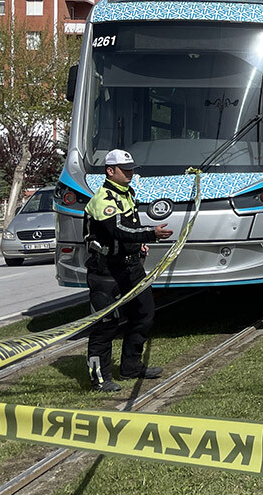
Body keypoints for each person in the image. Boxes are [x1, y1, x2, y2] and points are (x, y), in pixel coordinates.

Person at [83, 149, 174, 392]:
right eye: (125, 170)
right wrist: (150, 234)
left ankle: (131, 367)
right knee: (106, 326)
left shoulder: (126, 193)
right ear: (110, 171)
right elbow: (118, 230)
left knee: (144, 313)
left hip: (131, 268)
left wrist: (139, 243)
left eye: (132, 169)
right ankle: (100, 379)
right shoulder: (103, 199)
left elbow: (129, 228)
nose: (130, 174)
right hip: (106, 272)